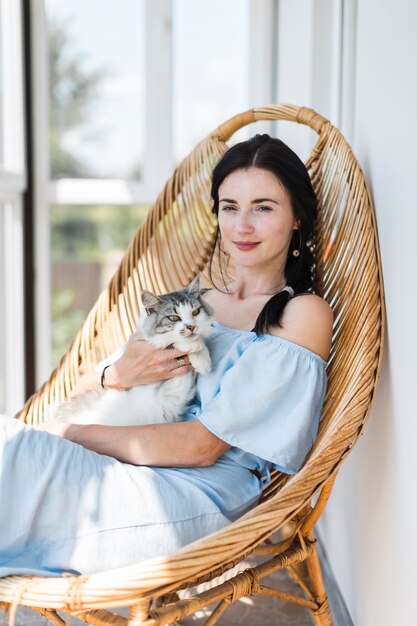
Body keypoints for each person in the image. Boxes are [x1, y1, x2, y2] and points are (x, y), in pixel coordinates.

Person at [0, 134, 333, 577]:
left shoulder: (300, 314)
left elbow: (202, 447)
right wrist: (115, 376)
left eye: (263, 207)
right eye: (229, 207)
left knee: (16, 449)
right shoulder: (196, 302)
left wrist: (67, 434)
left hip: (188, 497)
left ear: (296, 218)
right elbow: (88, 384)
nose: (241, 226)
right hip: (123, 465)